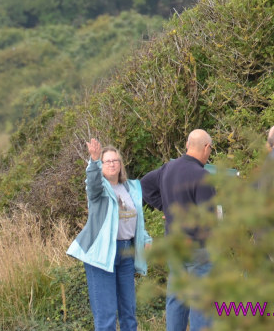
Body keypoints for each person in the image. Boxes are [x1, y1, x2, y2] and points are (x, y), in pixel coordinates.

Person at [67, 138, 153, 331]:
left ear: (121, 164)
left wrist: (145, 238)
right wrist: (95, 160)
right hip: (101, 255)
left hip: (126, 253)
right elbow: (92, 183)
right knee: (106, 317)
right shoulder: (99, 190)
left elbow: (135, 219)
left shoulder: (130, 187)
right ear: (102, 166)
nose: (113, 164)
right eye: (108, 161)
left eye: (116, 160)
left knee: (129, 313)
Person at [142, 129, 216, 331]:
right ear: (206, 147)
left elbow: (144, 185)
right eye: (210, 149)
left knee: (177, 298)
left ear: (187, 145)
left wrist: (163, 206)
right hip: (197, 247)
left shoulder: (168, 168)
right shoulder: (203, 176)